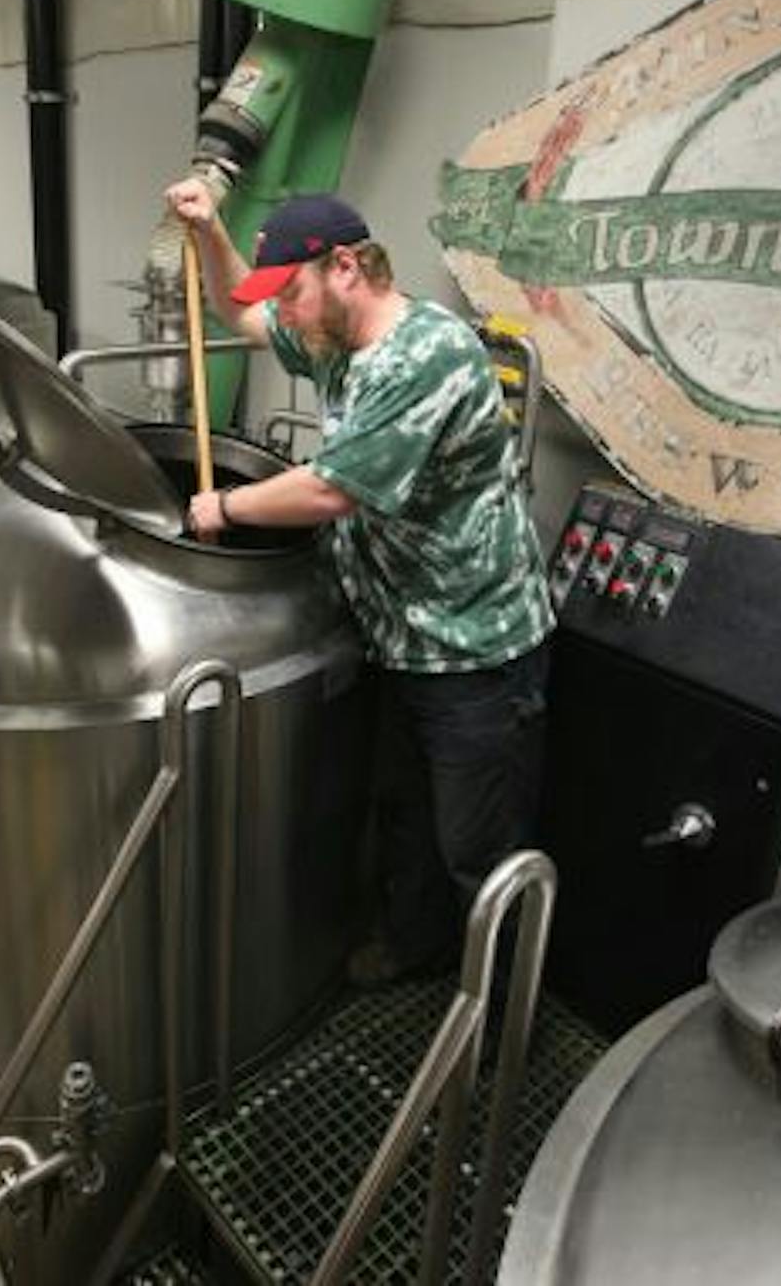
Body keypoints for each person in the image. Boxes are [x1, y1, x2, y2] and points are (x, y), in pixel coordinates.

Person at [165, 180, 555, 986]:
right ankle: (416, 954)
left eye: (296, 294)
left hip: (475, 650)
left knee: (478, 852)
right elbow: (238, 314)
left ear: (346, 266)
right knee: (407, 818)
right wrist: (209, 232)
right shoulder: (333, 335)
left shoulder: (431, 354)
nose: (290, 317)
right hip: (401, 639)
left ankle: (497, 1025)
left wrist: (222, 505)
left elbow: (333, 489)